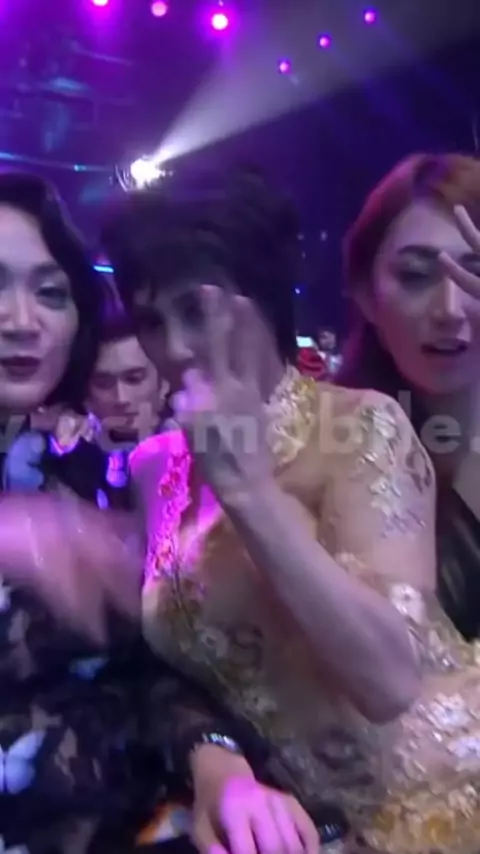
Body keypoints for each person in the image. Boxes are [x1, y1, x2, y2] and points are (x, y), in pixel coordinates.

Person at [100, 169, 480, 853]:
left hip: (444, 798)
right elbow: (175, 664)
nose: (176, 347)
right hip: (295, 822)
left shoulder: (359, 425)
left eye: (198, 311)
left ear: (265, 299)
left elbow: (391, 680)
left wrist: (250, 494)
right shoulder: (153, 465)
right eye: (154, 320)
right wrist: (216, 761)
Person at [0, 171, 318, 854]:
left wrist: (218, 766)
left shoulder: (88, 475)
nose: (23, 320)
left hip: (131, 819)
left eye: (50, 292)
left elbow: (149, 664)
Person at [338, 152, 480, 642]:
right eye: (416, 276)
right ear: (365, 295)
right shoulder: (326, 450)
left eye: (474, 275)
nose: (450, 309)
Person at [87, 306, 168, 448]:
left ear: (163, 381)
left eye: (134, 379)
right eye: (103, 384)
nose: (121, 399)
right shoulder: (64, 454)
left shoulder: (197, 443)